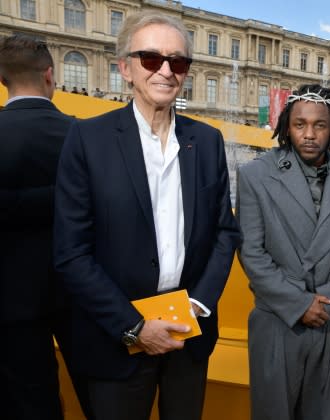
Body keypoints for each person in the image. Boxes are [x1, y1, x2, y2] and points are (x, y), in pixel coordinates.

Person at [54, 10, 241, 420]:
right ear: (126, 68)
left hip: (188, 336)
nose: (166, 71)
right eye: (152, 59)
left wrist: (199, 304)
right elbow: (71, 252)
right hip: (116, 340)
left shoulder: (207, 141)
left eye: (178, 61)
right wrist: (135, 326)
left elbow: (225, 233)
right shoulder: (88, 139)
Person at [236, 84, 330, 420]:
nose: (309, 134)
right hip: (278, 319)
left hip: (328, 318)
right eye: (300, 125)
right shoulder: (255, 175)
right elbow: (250, 251)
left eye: (319, 125)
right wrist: (298, 303)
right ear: (287, 126)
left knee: (321, 413)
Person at [0, 33, 75, 420]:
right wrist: (64, 194)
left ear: (3, 80)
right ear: (50, 75)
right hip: (81, 292)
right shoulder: (83, 134)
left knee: (32, 401)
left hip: (11, 299)